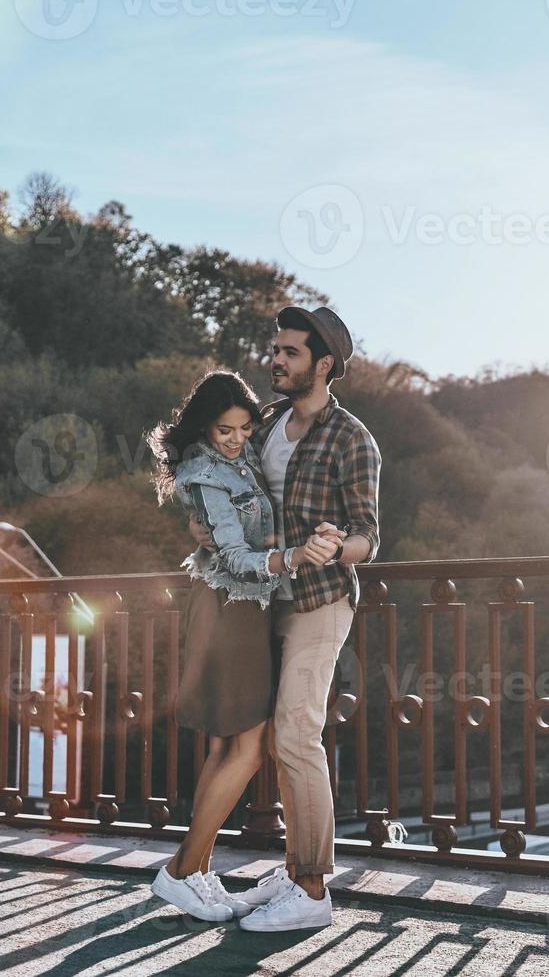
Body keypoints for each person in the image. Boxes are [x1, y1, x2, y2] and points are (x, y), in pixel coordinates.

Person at [191, 306, 382, 932]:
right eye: (274, 350)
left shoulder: (350, 438)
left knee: (297, 734)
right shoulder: (265, 423)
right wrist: (203, 522)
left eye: (290, 353)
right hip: (261, 600)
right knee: (263, 738)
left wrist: (334, 543)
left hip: (320, 600)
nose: (276, 360)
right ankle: (288, 864)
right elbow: (229, 495)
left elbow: (369, 539)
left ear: (322, 364)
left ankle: (311, 888)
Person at [145, 369, 340, 923]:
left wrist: (292, 543)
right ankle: (180, 872)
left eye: (243, 427)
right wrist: (292, 558)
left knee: (230, 746)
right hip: (230, 607)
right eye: (225, 430)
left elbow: (253, 531)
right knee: (248, 746)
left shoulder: (242, 457)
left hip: (246, 609)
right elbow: (234, 554)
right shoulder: (206, 471)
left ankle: (193, 872)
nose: (236, 438)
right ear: (205, 427)